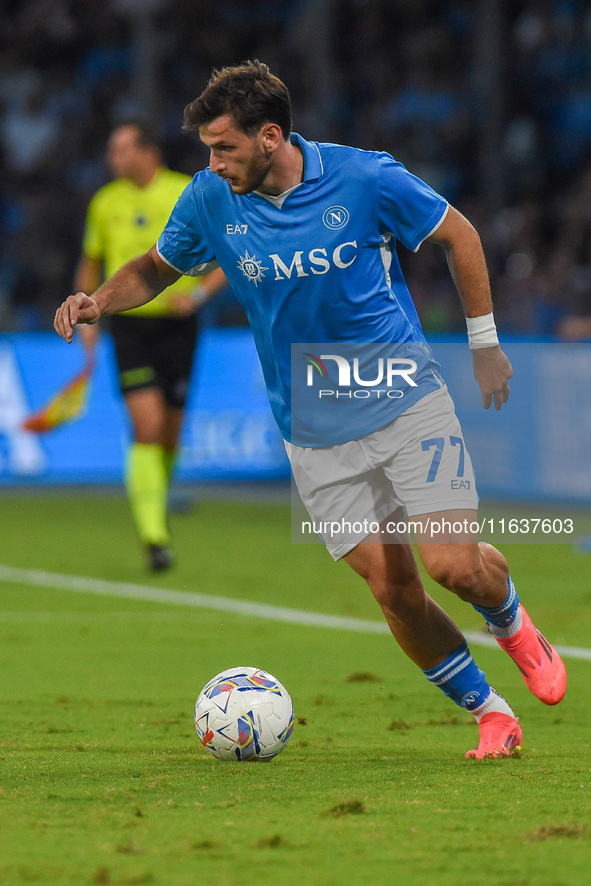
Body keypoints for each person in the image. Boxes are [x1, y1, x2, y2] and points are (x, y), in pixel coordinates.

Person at [55, 61, 566, 758]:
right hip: (311, 422)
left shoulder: (365, 178)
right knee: (394, 590)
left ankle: (510, 621)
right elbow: (156, 266)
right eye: (207, 148)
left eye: (224, 147)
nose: (211, 163)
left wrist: (484, 345)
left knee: (451, 565)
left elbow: (460, 235)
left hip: (399, 392)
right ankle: (489, 712)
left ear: (271, 136)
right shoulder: (210, 198)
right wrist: (97, 302)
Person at [74, 119, 227, 571]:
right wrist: (88, 317)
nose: (112, 159)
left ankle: (154, 508)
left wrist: (198, 295)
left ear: (148, 152)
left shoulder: (188, 191)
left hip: (179, 328)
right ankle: (154, 535)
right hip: (130, 327)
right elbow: (91, 262)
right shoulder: (105, 202)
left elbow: (230, 253)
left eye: (120, 150)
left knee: (169, 433)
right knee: (147, 426)